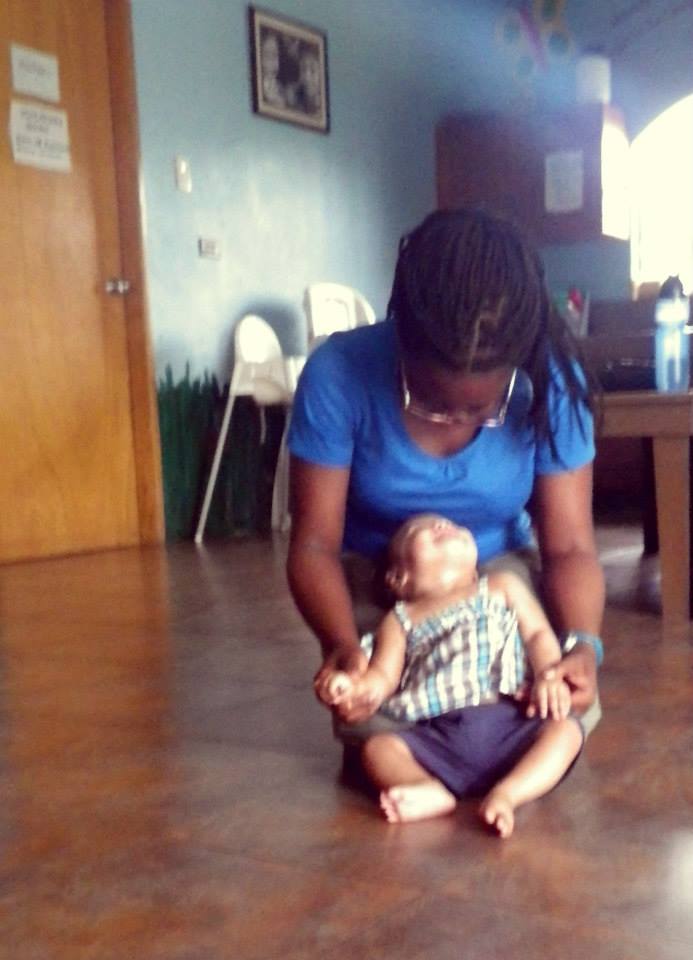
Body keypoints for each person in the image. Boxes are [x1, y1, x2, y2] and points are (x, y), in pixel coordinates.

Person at [286, 207, 604, 778]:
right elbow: (313, 545)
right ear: (402, 344)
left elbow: (570, 547)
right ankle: (447, 752)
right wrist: (343, 646)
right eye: (431, 401)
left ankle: (467, 754)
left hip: (501, 571)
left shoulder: (552, 381)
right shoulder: (339, 373)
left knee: (558, 695)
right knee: (367, 698)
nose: (456, 419)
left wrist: (583, 647)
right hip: (383, 575)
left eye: (483, 409)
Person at [315, 514, 584, 837]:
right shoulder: (400, 619)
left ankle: (509, 794)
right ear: (398, 579)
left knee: (566, 730)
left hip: (510, 723)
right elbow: (383, 676)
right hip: (440, 738)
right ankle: (426, 787)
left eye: (453, 526)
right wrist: (351, 686)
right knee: (377, 748)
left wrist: (548, 675)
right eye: (419, 530)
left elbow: (538, 634)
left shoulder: (501, 585)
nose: (442, 525)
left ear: (474, 567)